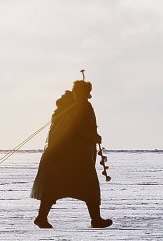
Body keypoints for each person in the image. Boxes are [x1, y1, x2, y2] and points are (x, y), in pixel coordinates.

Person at [31, 77, 112, 229]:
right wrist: (94, 137)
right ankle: (95, 219)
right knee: (89, 187)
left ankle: (42, 217)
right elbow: (80, 129)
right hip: (74, 158)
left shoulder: (70, 108)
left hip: (66, 157)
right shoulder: (81, 107)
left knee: (55, 186)